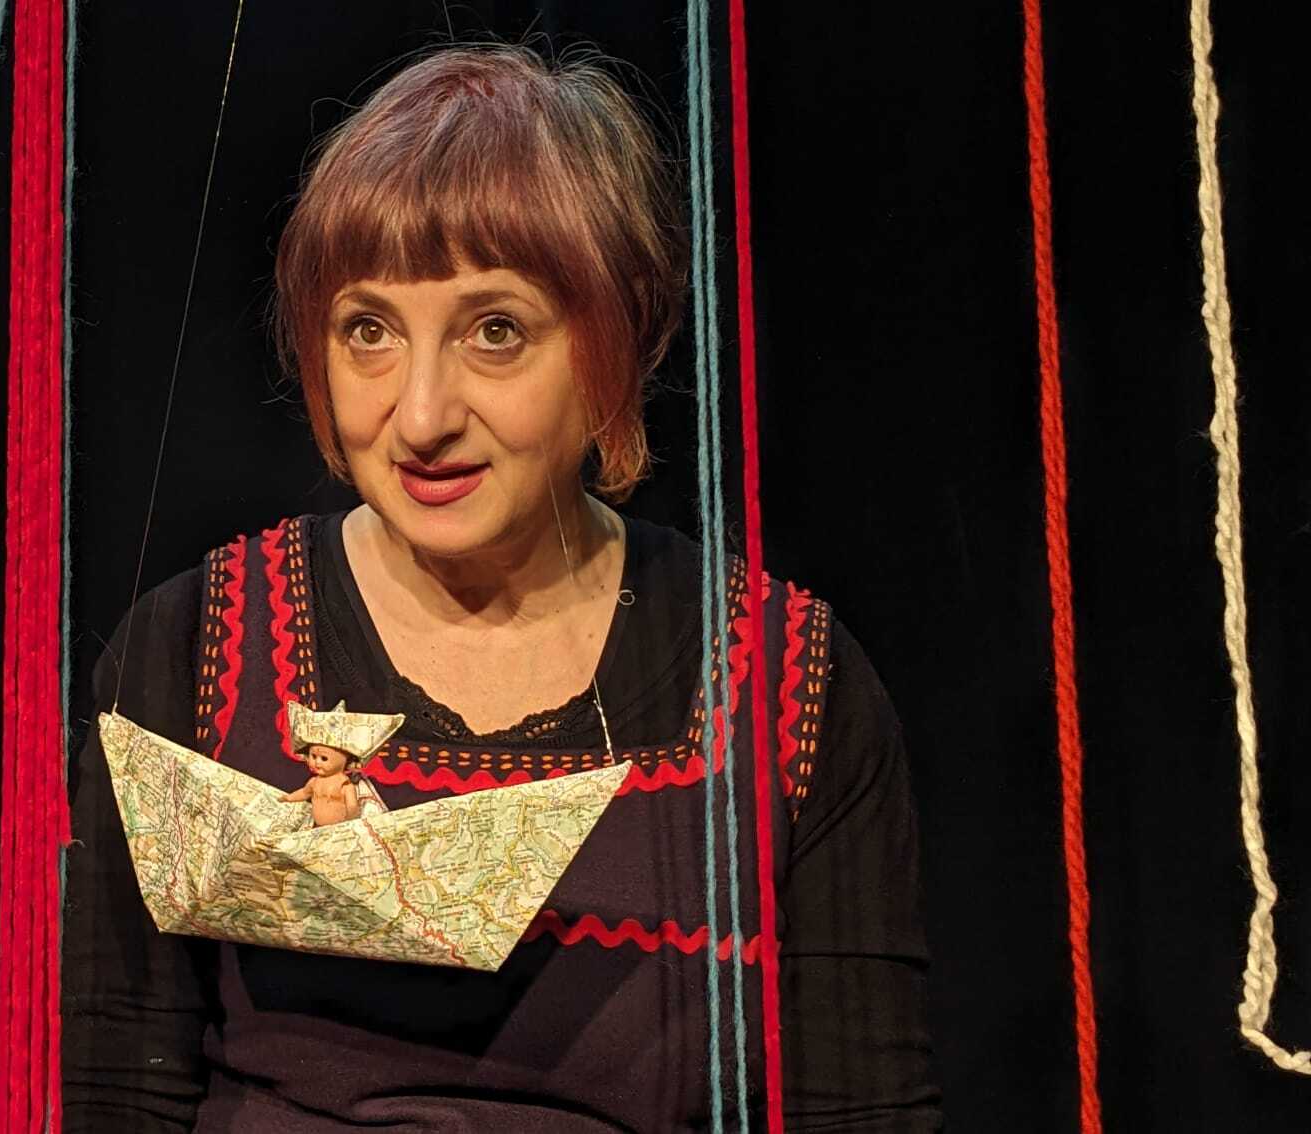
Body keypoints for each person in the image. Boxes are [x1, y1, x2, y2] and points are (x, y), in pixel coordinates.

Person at [63, 44, 942, 1131]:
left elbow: (864, 1113)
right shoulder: (190, 649)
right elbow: (113, 1089)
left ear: (619, 339)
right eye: (369, 331)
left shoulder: (790, 681)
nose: (422, 415)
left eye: (496, 332)